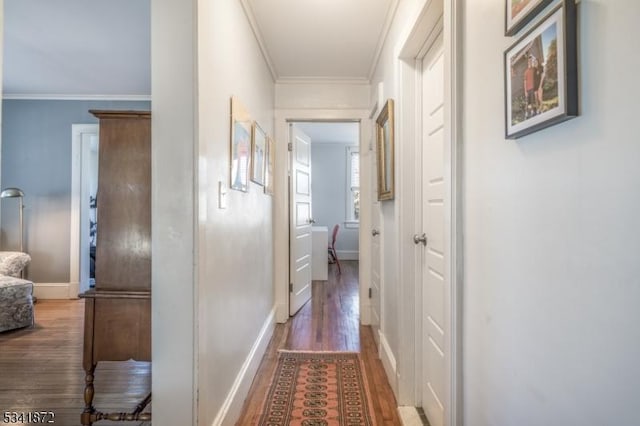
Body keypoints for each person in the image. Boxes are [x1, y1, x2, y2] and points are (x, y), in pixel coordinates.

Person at [523, 53, 537, 119]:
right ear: (528, 63)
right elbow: (525, 82)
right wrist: (525, 91)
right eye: (529, 62)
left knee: (532, 102)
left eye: (531, 62)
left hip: (533, 88)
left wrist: (532, 57)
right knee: (527, 103)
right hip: (528, 89)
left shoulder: (534, 70)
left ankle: (532, 113)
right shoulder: (526, 72)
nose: (530, 63)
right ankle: (526, 114)